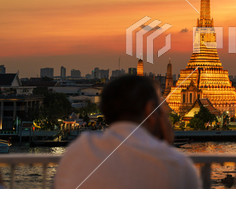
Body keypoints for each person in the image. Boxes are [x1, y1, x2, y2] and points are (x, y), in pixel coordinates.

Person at [54, 75, 201, 189]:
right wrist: (166, 145)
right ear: (150, 109)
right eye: (161, 107)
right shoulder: (177, 165)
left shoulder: (77, 152)